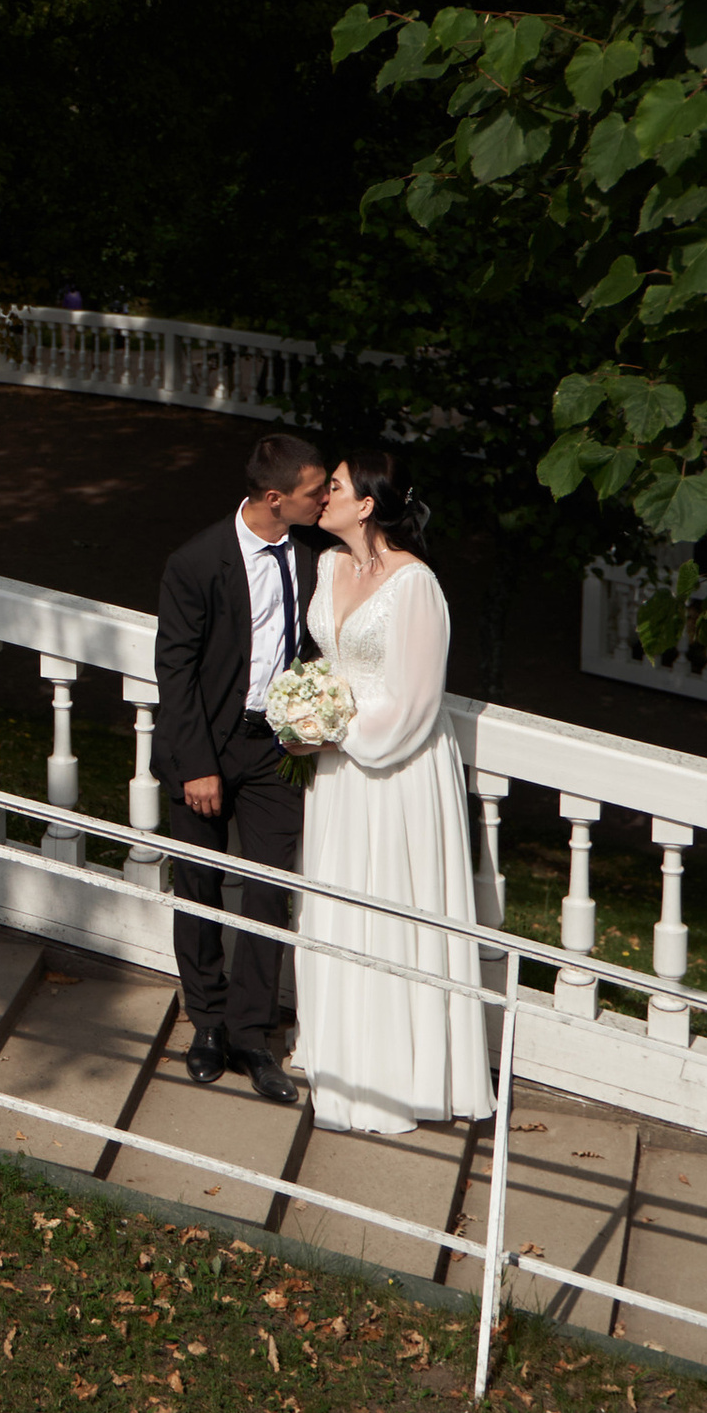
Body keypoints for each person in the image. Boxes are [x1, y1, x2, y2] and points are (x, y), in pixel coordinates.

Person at [298, 451, 493, 1134]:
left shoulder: (417, 587)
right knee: (340, 903)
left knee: (391, 909)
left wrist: (335, 732)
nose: (322, 496)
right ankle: (342, 1059)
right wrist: (305, 715)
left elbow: (415, 700)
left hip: (398, 768)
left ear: (368, 504)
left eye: (336, 487)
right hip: (338, 775)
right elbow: (327, 663)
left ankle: (403, 1076)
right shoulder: (327, 565)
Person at [150, 432, 329, 1102]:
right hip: (206, 750)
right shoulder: (196, 562)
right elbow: (176, 670)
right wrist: (197, 764)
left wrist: (310, 723)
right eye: (317, 492)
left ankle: (254, 1036)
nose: (326, 499)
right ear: (276, 498)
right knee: (198, 887)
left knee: (266, 894)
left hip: (277, 751)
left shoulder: (316, 556)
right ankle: (208, 1025)